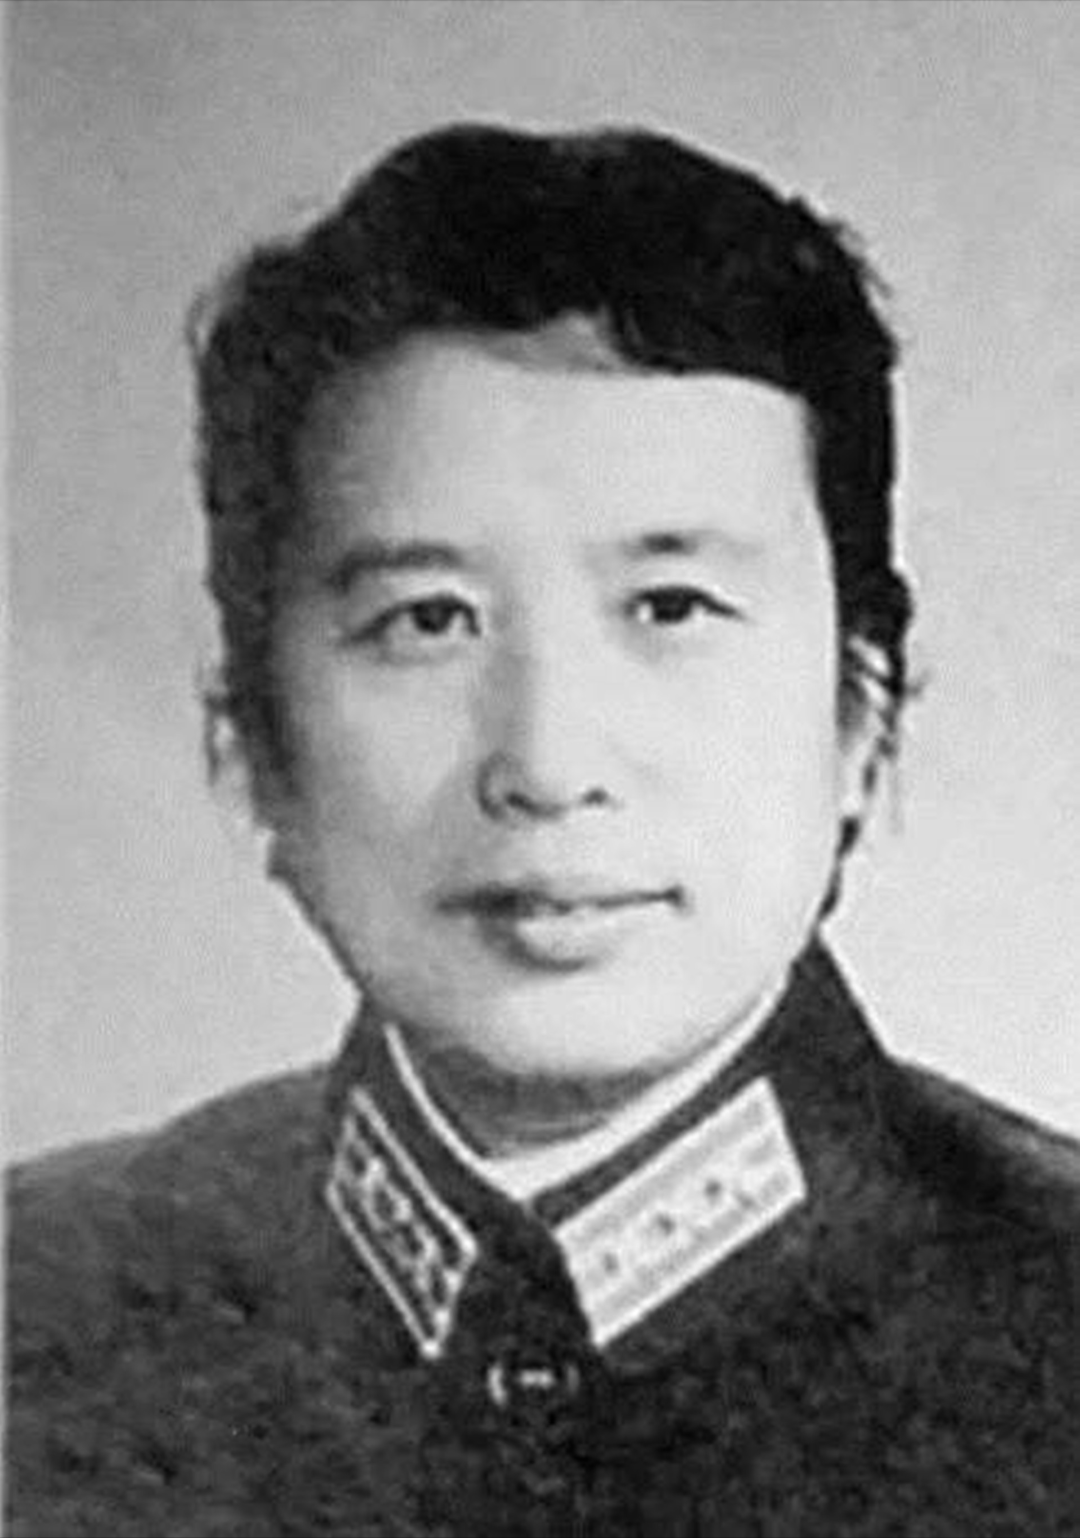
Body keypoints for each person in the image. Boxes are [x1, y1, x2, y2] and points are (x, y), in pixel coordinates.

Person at [6, 123, 1078, 1538]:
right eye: (427, 620)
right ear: (249, 745)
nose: (548, 765)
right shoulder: (40, 1302)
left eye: (673, 608)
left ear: (860, 720)